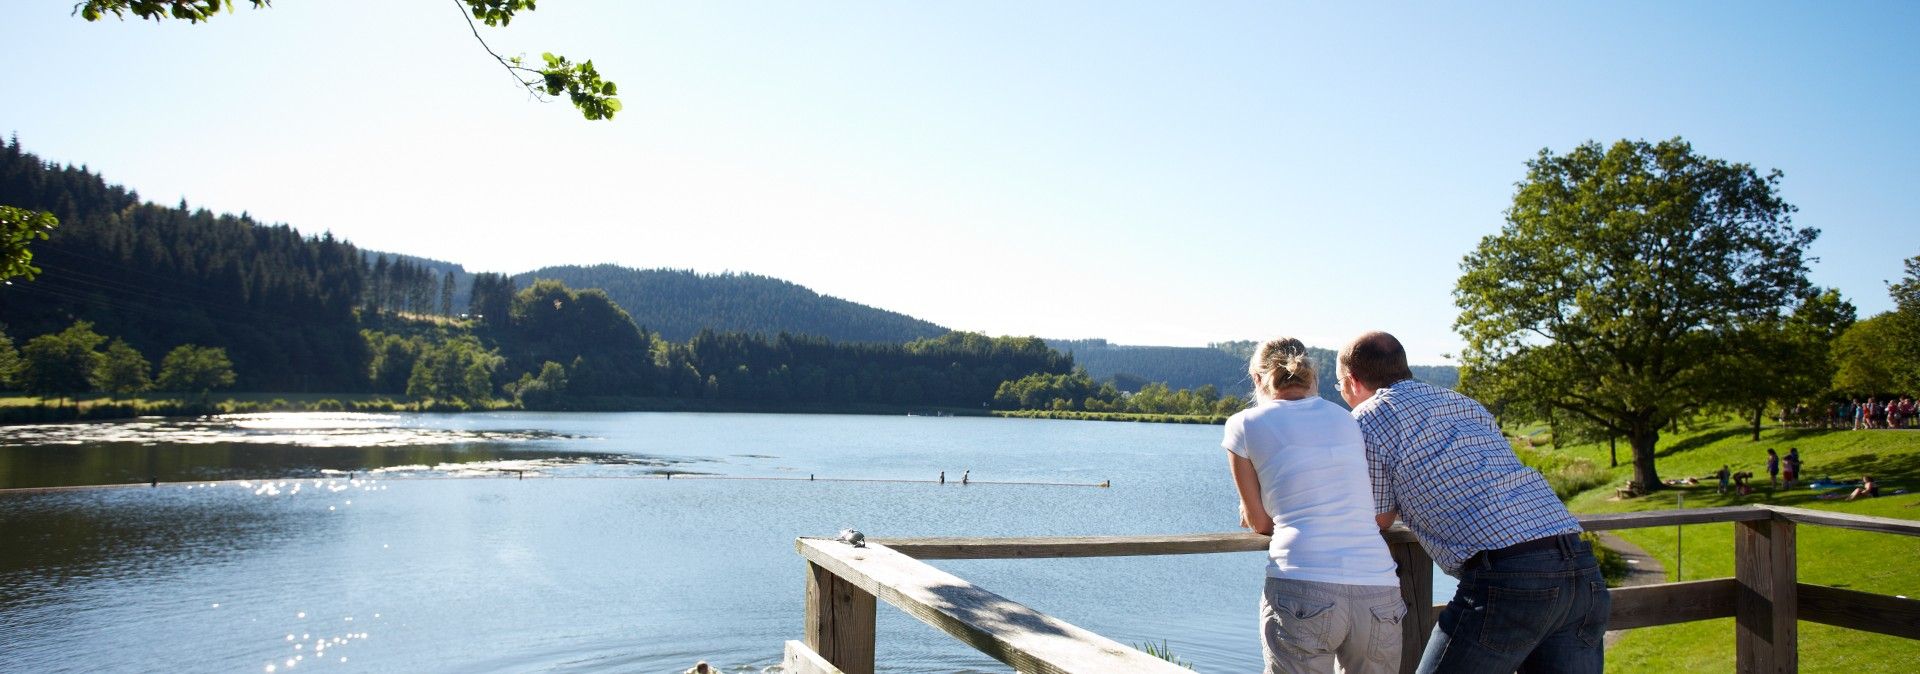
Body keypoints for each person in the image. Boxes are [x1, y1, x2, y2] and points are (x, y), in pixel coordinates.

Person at [1339, 331, 1608, 674]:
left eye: (1339, 385)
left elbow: (1380, 517)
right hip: (1580, 565)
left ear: (1352, 380)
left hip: (1509, 577)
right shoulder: (1462, 403)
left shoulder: (1367, 417)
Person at [1225, 337, 1404, 674]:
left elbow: (1260, 523)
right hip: (1378, 586)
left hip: (1302, 579)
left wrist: (1257, 510)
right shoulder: (1347, 419)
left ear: (1257, 378)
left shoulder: (1243, 425)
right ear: (1311, 375)